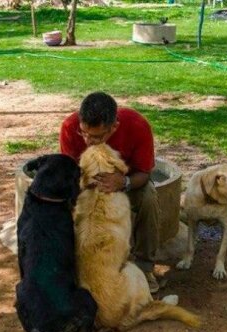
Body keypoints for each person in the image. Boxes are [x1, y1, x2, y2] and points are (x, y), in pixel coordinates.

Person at [59, 91, 161, 293]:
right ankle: (73, 265)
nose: (88, 141)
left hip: (125, 183)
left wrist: (123, 182)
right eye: (84, 133)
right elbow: (68, 174)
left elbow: (144, 173)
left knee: (149, 196)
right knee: (62, 202)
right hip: (86, 187)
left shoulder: (137, 125)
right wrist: (85, 184)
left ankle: (144, 267)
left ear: (114, 126)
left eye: (97, 136)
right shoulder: (69, 127)